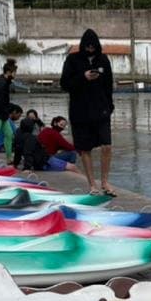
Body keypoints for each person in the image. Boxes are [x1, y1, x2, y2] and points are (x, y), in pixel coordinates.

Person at [60, 29, 115, 196]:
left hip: (101, 109)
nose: (90, 49)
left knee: (107, 145)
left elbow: (109, 84)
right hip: (80, 111)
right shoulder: (72, 60)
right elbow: (64, 84)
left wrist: (110, 106)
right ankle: (92, 185)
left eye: (93, 46)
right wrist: (83, 77)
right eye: (88, 46)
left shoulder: (103, 60)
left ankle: (105, 181)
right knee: (85, 149)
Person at [0, 58, 17, 125]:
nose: (15, 75)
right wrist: (6, 113)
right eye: (14, 72)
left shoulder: (4, 81)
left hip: (0, 115)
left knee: (9, 134)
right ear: (8, 72)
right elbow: (0, 101)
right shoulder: (3, 84)